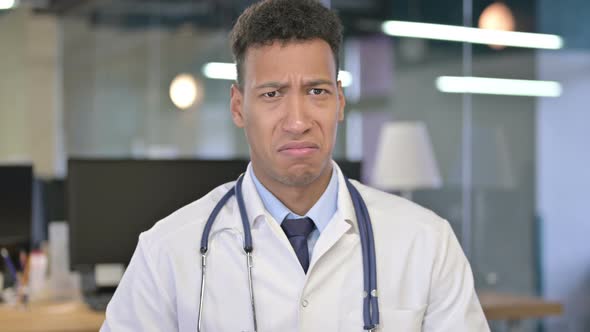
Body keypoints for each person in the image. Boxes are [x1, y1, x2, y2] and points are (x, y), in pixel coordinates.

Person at [101, 0, 490, 331]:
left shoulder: (426, 242)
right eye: (272, 94)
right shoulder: (167, 252)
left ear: (339, 101)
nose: (298, 120)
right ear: (238, 107)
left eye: (316, 91)